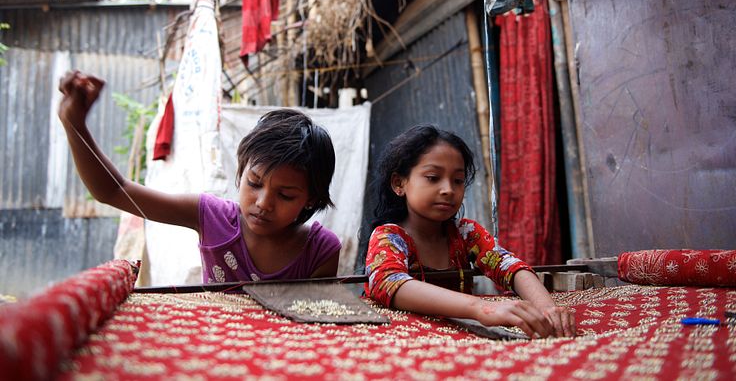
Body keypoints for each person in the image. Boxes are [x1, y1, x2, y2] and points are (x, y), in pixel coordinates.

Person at [58, 70, 341, 283]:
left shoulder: (321, 250)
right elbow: (114, 190)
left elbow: (311, 329)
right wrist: (75, 125)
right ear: (241, 173)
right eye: (254, 183)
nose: (263, 202)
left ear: (310, 199)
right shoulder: (210, 217)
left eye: (285, 195)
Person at [365, 124, 575, 338]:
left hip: (460, 340)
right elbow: (389, 282)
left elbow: (509, 266)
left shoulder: (466, 233)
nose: (448, 189)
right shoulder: (388, 237)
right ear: (399, 183)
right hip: (404, 343)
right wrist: (480, 308)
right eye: (433, 177)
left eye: (458, 180)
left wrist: (547, 308)